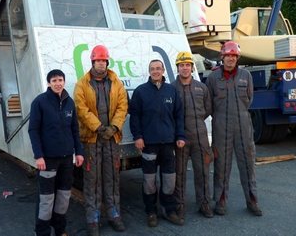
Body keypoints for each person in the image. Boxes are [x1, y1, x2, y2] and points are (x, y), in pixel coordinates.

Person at [74, 45, 128, 236]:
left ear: (107, 62)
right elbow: (81, 109)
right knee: (92, 179)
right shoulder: (82, 84)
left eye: (103, 60)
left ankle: (114, 214)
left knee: (112, 177)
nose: (101, 64)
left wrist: (113, 127)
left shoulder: (116, 82)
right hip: (91, 139)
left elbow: (123, 105)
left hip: (111, 138)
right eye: (97, 60)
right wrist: (98, 127)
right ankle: (93, 218)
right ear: (92, 62)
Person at [205, 41, 263, 216]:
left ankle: (252, 200)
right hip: (221, 126)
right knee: (222, 165)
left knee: (248, 164)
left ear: (237, 58)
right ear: (222, 57)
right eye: (227, 55)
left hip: (243, 126)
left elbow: (249, 99)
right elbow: (209, 104)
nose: (230, 59)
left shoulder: (246, 75)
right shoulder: (212, 78)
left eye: (233, 56)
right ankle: (221, 201)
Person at [129, 59, 186, 227]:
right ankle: (151, 211)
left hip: (168, 143)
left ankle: (169, 210)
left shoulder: (171, 91)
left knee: (169, 180)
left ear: (163, 71)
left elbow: (179, 116)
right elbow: (135, 116)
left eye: (158, 68)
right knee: (149, 180)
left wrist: (180, 136)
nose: (156, 71)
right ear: (149, 71)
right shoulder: (141, 92)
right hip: (149, 144)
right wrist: (138, 136)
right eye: (152, 69)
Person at [28, 69, 85, 236]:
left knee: (63, 196)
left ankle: (60, 230)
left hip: (67, 159)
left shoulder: (69, 103)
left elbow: (75, 130)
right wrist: (38, 155)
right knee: (46, 198)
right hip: (47, 160)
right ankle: (43, 232)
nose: (58, 83)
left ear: (64, 82)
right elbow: (33, 130)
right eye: (54, 80)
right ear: (48, 83)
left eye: (60, 80)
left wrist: (79, 152)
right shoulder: (39, 102)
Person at [172, 51, 214, 221]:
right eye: (182, 65)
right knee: (180, 173)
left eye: (187, 65)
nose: (185, 68)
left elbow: (208, 109)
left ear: (192, 67)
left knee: (203, 171)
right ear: (178, 68)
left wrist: (196, 123)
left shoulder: (201, 87)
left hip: (200, 137)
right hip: (180, 138)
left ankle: (204, 204)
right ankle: (179, 205)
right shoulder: (171, 89)